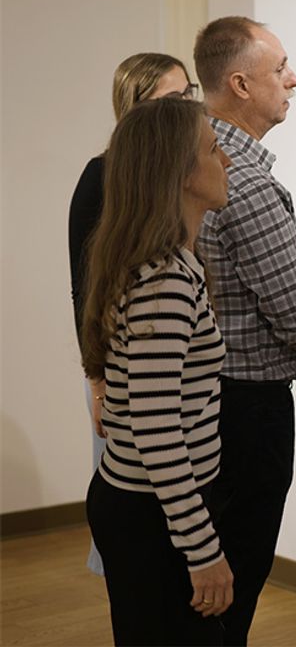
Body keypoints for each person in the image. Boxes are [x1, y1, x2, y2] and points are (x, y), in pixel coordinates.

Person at [194, 16, 296, 645]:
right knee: (236, 577)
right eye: (280, 68)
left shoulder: (191, 159)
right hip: (246, 412)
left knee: (207, 580)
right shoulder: (246, 184)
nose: (294, 79)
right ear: (241, 84)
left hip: (205, 399)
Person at [81, 97, 234, 645]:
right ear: (182, 174)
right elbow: (155, 427)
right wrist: (203, 550)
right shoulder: (164, 280)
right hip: (153, 515)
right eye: (215, 150)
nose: (227, 161)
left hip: (155, 507)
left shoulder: (169, 263)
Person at [68, 52, 199, 576]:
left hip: (171, 363)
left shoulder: (183, 175)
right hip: (116, 367)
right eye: (173, 99)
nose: (188, 107)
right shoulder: (99, 177)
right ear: (134, 108)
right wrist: (97, 381)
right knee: (127, 481)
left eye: (189, 95)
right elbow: (85, 293)